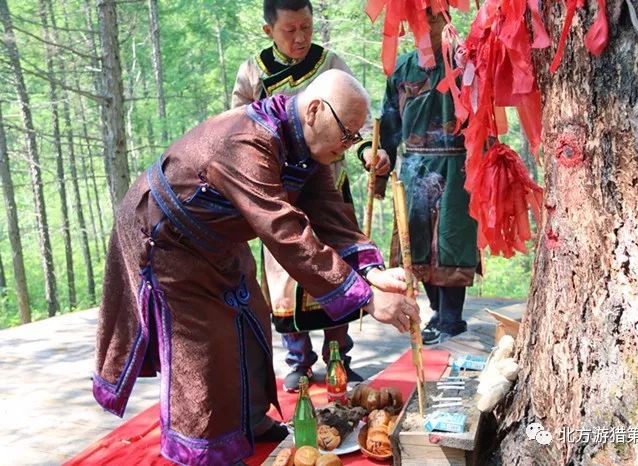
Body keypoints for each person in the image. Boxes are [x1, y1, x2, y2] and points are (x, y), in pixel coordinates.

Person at [93, 69, 419, 466]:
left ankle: (248, 420)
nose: (349, 145)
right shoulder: (248, 140)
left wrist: (372, 271)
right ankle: (202, 450)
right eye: (346, 134)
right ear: (315, 109)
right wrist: (367, 300)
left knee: (249, 321)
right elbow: (285, 231)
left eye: (355, 137)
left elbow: (330, 215)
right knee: (203, 344)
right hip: (166, 236)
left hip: (219, 237)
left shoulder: (307, 144)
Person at [232, 0, 390, 392]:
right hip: (278, 193)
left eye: (306, 27)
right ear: (269, 30)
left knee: (339, 261)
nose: (301, 38)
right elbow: (238, 125)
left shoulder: (330, 62)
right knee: (287, 278)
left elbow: (359, 118)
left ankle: (339, 356)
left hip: (328, 187)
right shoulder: (254, 71)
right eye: (290, 30)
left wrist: (368, 149)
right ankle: (297, 361)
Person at [362, 8, 480, 346]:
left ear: (447, 19)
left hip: (458, 166)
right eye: (420, 19)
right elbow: (388, 127)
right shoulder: (403, 69)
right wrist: (381, 162)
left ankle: (452, 318)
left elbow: (483, 119)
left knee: (452, 239)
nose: (427, 25)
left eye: (433, 17)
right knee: (417, 243)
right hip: (414, 169)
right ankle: (437, 313)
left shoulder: (466, 62)